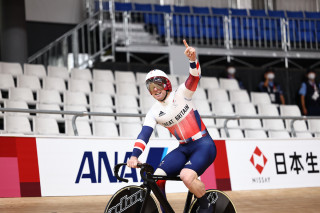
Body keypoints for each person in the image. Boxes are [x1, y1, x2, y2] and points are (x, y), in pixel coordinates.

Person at [127, 40, 217, 213]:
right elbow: (144, 134)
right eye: (151, 87)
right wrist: (134, 155)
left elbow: (194, 77)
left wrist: (193, 60)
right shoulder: (153, 112)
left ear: (166, 84)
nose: (155, 89)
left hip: (204, 145)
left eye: (158, 84)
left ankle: (207, 207)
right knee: (157, 178)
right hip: (184, 148)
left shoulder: (182, 94)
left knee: (186, 176)